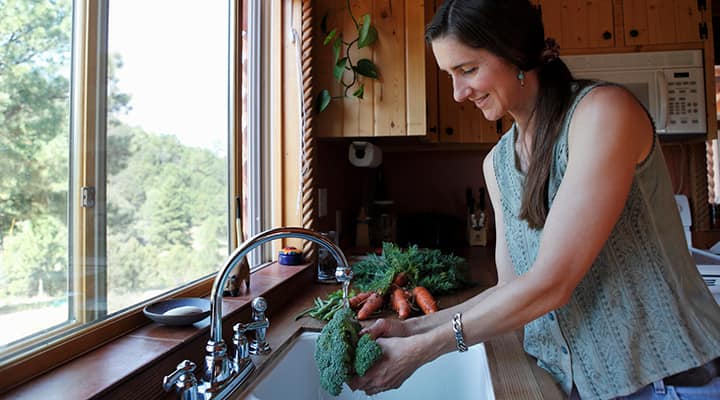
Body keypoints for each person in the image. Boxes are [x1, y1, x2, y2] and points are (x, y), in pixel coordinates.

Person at [349, 1, 720, 399]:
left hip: (670, 382)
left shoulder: (602, 114)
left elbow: (550, 284)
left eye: (468, 70)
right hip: (580, 385)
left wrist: (423, 350)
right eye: (450, 75)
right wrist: (411, 329)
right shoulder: (498, 164)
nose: (458, 94)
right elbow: (513, 288)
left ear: (515, 53)